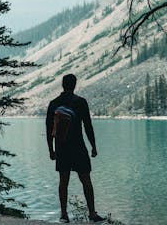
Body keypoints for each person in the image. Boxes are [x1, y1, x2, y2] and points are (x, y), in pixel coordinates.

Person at [46, 74, 106, 223]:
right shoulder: (80, 102)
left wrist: (51, 150)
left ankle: (64, 215)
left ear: (62, 85)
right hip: (78, 147)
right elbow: (88, 126)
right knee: (86, 180)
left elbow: (49, 129)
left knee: (63, 181)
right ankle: (92, 214)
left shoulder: (54, 103)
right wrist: (93, 146)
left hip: (61, 148)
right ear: (74, 85)